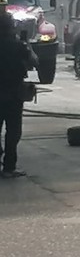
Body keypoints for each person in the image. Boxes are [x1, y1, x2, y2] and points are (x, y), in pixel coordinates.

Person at [0, 13, 32, 178]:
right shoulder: (18, 45)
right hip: (13, 95)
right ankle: (9, 167)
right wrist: (26, 43)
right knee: (13, 132)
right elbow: (34, 61)